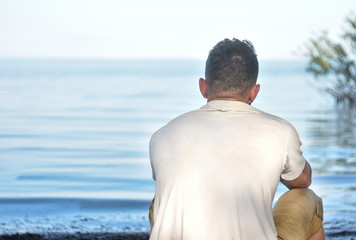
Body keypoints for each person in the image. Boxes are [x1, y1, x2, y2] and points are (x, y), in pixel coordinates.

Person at [148, 38, 325, 240]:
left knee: (160, 202)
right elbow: (303, 181)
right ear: (254, 91)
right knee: (308, 199)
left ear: (203, 87)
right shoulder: (280, 131)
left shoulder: (162, 135)